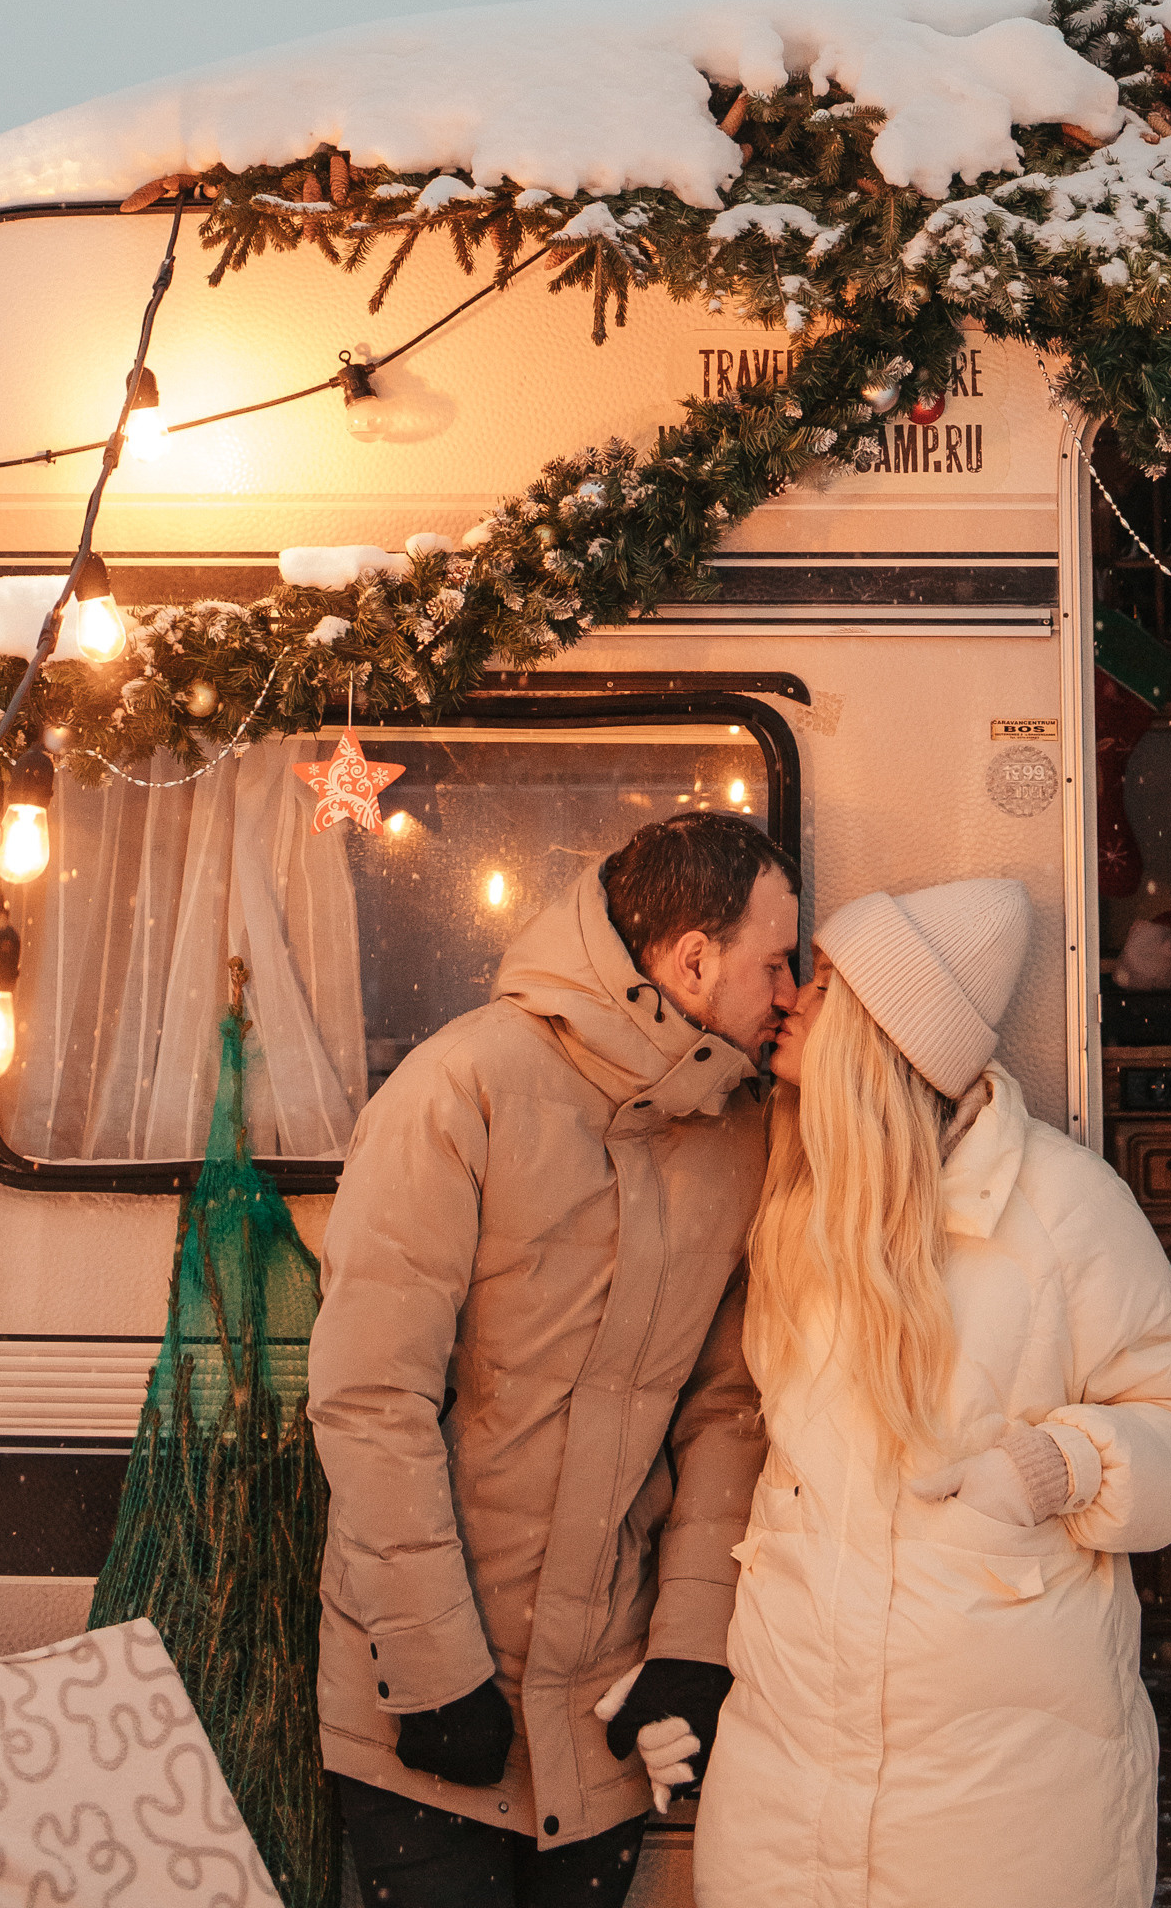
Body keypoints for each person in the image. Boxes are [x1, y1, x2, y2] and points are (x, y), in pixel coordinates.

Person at [690, 875, 1171, 1908]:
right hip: (789, 1763)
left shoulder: (1061, 1205)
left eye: (821, 982)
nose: (790, 1001)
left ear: (878, 1031)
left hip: (998, 1794)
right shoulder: (797, 1198)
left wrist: (1060, 1465)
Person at [304, 808, 799, 1906]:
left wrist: (689, 1646)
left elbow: (727, 1411)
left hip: (602, 1720)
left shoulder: (736, 1135)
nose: (789, 991)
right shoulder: (462, 1089)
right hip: (424, 1715)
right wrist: (434, 1673)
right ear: (691, 957)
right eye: (776, 960)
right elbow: (370, 1398)